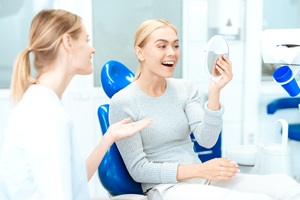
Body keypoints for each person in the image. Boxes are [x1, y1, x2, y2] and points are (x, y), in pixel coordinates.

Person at [109, 19, 300, 200]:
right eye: (162, 46)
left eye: (176, 45)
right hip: (166, 188)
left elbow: (207, 140)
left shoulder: (185, 88)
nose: (172, 52)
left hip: (203, 178)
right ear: (140, 52)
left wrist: (215, 91)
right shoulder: (123, 102)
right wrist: (200, 170)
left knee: (284, 186)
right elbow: (139, 169)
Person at [0, 9, 152, 199]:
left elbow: (74, 182)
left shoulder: (42, 103)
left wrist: (109, 137)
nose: (92, 49)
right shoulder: (46, 114)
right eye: (86, 40)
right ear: (67, 42)